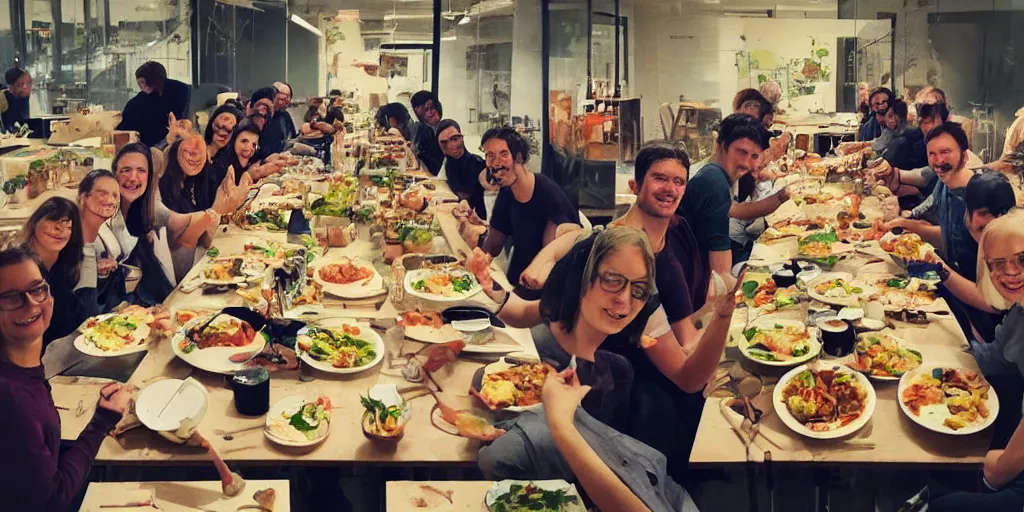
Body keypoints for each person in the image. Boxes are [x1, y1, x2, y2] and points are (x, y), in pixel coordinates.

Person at [0, 246, 132, 512]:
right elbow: (53, 499)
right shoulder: (10, 399)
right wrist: (101, 423)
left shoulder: (25, 370)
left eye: (37, 289)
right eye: (11, 297)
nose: (31, 303)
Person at [918, 210, 1024, 511]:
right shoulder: (1019, 312)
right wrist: (936, 352)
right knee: (941, 454)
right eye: (998, 264)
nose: (1011, 273)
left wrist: (999, 468)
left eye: (1022, 259)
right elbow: (992, 359)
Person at [885, 123, 1002, 343]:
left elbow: (993, 300)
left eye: (946, 152)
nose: (938, 161)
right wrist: (906, 225)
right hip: (951, 293)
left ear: (965, 156)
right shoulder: (944, 185)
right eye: (932, 154)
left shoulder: (983, 201)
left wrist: (939, 268)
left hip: (982, 321)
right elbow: (951, 237)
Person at [458, 126, 581, 300]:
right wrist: (472, 236)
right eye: (489, 155)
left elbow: (550, 263)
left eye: (503, 154)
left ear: (519, 158)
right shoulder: (507, 192)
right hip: (515, 282)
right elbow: (494, 244)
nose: (495, 162)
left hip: (545, 295)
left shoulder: (548, 194)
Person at [101, 143, 224, 303]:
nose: (133, 177)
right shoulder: (104, 220)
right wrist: (217, 210)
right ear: (114, 175)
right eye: (126, 170)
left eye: (141, 171)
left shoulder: (146, 213)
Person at [678, 113, 786, 286]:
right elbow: (720, 274)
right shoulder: (714, 181)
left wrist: (782, 196)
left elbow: (735, 210)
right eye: (741, 152)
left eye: (754, 156)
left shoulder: (718, 173)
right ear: (721, 146)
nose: (747, 164)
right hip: (698, 280)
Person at [159, 137, 250, 281]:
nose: (195, 157)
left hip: (201, 263)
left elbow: (206, 239)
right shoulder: (163, 190)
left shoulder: (197, 182)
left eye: (200, 152)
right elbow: (184, 244)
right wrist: (217, 210)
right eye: (188, 151)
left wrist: (224, 207)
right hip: (182, 273)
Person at [18, 198, 94, 344]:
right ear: (35, 222)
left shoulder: (65, 268)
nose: (60, 229)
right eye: (53, 219)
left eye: (68, 226)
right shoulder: (18, 267)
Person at [75, 170, 122, 313]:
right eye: (102, 193)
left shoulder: (102, 227)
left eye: (115, 195)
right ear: (83, 197)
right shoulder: (72, 234)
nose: (110, 200)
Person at [117, 61, 191, 147]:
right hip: (148, 145)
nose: (141, 86)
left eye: (143, 83)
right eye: (140, 83)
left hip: (169, 143)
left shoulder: (178, 91)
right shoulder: (137, 103)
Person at [437, 119, 488, 220]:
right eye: (444, 142)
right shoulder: (448, 162)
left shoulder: (477, 164)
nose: (451, 145)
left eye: (455, 139)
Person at [210, 120, 285, 186]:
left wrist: (265, 162)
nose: (249, 148)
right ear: (233, 142)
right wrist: (248, 176)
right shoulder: (221, 167)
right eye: (244, 141)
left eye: (254, 145)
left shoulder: (252, 163)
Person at [410, 91, 444, 175]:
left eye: (432, 108)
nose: (430, 113)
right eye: (426, 109)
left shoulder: (442, 129)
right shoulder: (420, 127)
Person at [259, 82, 297, 155]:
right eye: (282, 98)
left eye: (287, 98)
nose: (284, 101)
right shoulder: (261, 116)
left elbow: (292, 137)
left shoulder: (285, 116)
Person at [0, 67, 31, 132]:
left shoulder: (23, 97)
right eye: (21, 83)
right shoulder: (3, 97)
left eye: (28, 83)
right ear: (11, 85)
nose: (25, 87)